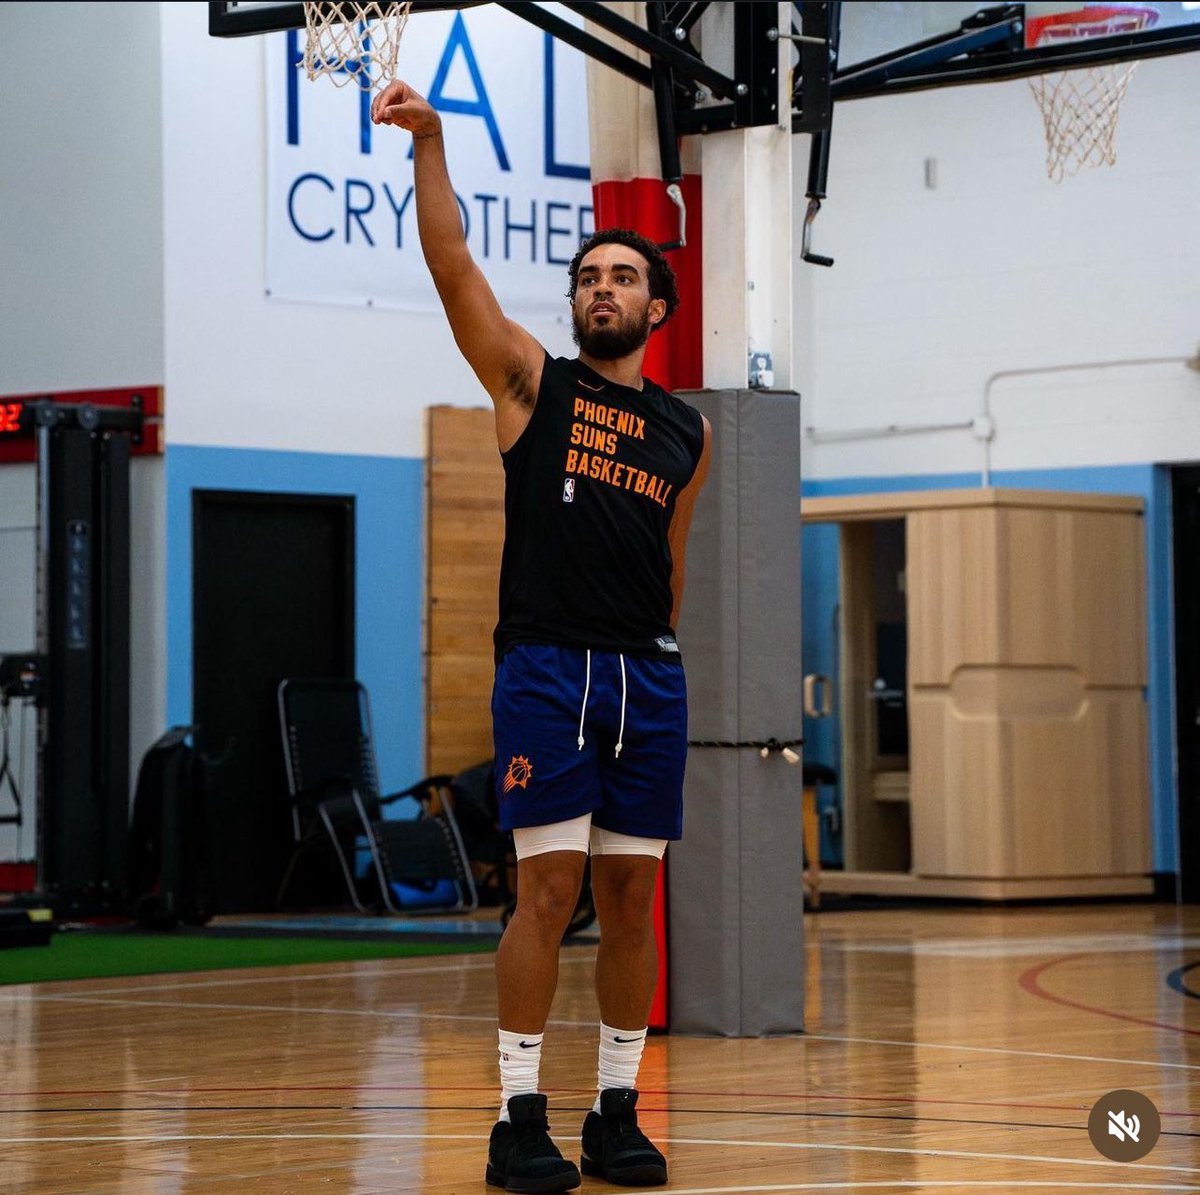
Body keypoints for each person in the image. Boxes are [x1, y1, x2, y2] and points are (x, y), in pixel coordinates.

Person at [373, 79, 711, 1193]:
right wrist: (431, 144)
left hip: (645, 679)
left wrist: (654, 660)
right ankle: (518, 1114)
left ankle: (619, 1109)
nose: (601, 287)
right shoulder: (531, 385)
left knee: (630, 898)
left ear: (656, 307)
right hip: (549, 669)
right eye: (587, 276)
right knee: (548, 893)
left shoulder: (686, 431)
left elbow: (669, 563)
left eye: (622, 276)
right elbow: (451, 266)